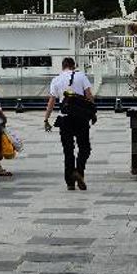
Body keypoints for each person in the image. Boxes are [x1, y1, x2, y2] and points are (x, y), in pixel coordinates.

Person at [44, 57, 95, 191]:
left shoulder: (56, 80)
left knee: (68, 151)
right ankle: (79, 171)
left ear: (63, 66)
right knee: (84, 148)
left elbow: (51, 102)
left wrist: (46, 119)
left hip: (64, 119)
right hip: (81, 118)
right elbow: (89, 95)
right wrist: (93, 113)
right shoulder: (81, 76)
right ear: (74, 66)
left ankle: (70, 182)